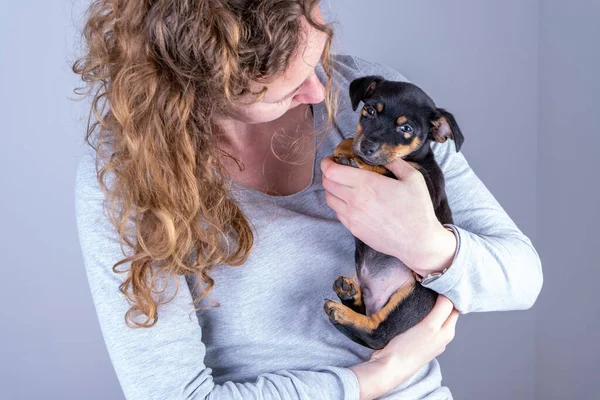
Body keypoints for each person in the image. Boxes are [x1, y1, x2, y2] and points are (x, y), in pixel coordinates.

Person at [72, 1, 543, 399]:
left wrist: (427, 244)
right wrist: (377, 376)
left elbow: (523, 278)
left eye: (317, 53)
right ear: (203, 85)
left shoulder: (372, 94)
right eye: (285, 88)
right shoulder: (128, 172)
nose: (320, 90)